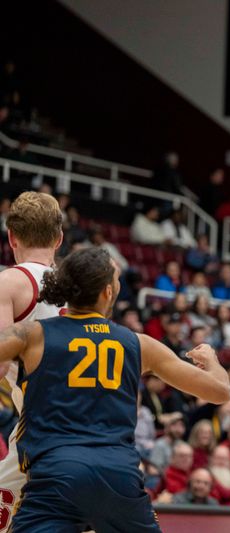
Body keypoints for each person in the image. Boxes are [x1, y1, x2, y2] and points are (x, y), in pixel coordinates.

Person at [0, 246, 230, 531]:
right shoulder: (138, 343)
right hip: (118, 477)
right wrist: (211, 359)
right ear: (108, 292)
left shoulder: (32, 334)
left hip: (56, 476)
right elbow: (220, 391)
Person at [0, 191, 63, 533]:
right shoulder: (79, 285)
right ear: (59, 238)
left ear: (11, 237)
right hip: (94, 422)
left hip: (40, 423)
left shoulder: (10, 282)